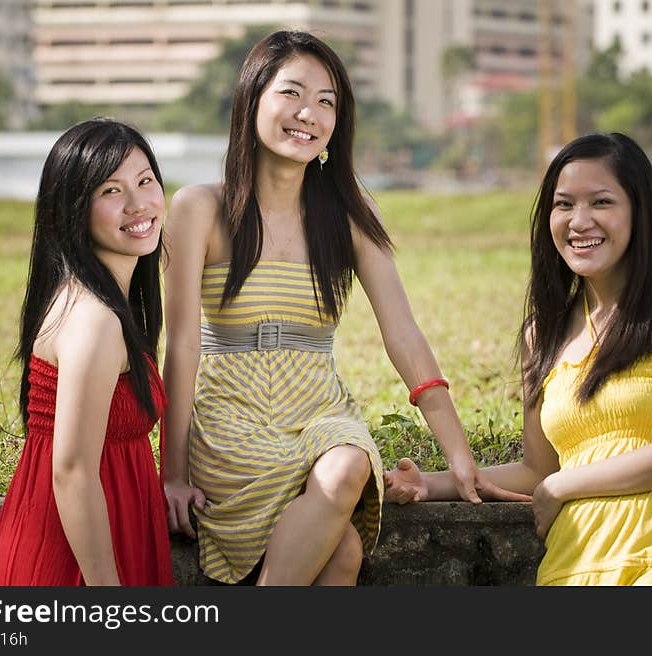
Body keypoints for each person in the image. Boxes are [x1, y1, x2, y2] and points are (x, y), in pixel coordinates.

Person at [161, 30, 526, 587]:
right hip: (232, 419)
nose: (309, 113)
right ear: (251, 100)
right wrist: (174, 474)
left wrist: (457, 450)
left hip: (318, 411)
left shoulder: (351, 212)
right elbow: (182, 346)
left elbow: (403, 334)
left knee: (350, 460)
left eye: (327, 101)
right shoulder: (199, 208)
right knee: (343, 551)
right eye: (292, 93)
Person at [384, 132, 652, 586]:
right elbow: (538, 468)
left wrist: (561, 487)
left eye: (601, 202)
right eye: (564, 204)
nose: (580, 221)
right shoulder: (544, 333)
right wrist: (428, 485)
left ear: (640, 211)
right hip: (576, 558)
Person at [0, 117, 174, 586]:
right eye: (111, 191)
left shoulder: (98, 300)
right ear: (72, 209)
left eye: (145, 181)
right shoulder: (95, 318)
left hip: (94, 539)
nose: (138, 204)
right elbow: (71, 472)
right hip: (76, 564)